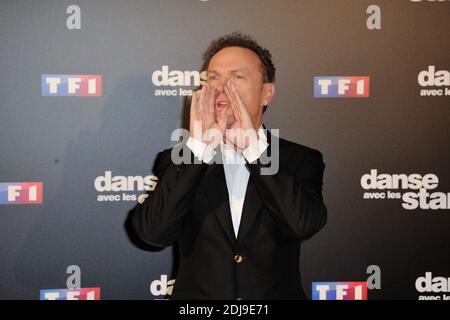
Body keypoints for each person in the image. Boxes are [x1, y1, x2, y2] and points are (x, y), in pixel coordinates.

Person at [132, 32, 327, 299]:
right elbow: (153, 233)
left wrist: (255, 151)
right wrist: (199, 149)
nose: (222, 87)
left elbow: (301, 224)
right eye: (214, 77)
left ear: (266, 93)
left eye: (237, 77)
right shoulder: (178, 159)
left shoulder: (300, 159)